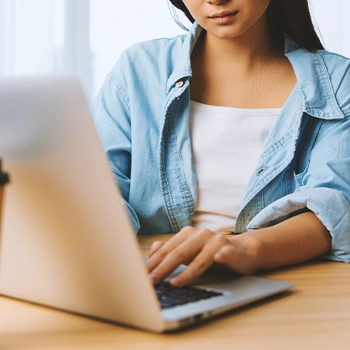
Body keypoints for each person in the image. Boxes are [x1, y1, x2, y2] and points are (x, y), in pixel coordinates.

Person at [93, 0, 350, 288]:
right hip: (155, 280)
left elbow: (334, 208)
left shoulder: (337, 82)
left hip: (287, 289)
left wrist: (244, 250)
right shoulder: (138, 71)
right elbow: (99, 191)